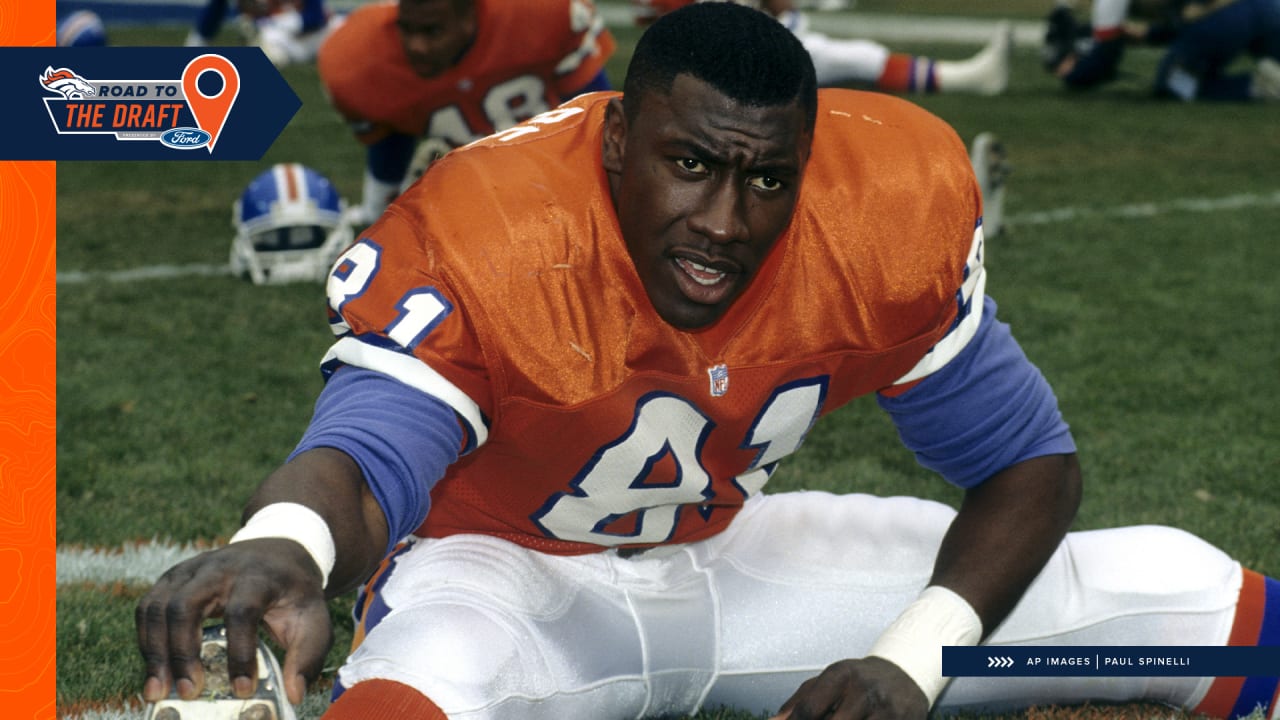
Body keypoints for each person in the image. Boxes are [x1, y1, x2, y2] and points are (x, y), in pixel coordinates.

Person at [137, 4, 1279, 720]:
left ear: (808, 163)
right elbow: (367, 447)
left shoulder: (875, 215)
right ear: (617, 139)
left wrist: (908, 661)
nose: (725, 220)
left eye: (766, 179)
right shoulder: (500, 225)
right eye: (688, 163)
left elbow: (1029, 463)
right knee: (425, 689)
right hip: (505, 581)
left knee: (1185, 601)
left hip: (739, 565)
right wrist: (285, 543)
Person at [315, 0, 616, 228]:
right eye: (407, 29)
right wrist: (375, 211)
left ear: (470, 14)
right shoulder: (359, 56)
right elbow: (391, 136)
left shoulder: (540, 13)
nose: (416, 46)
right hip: (470, 189)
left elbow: (595, 113)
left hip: (558, 168)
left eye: (432, 30)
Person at [634, 0, 1012, 96]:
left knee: (856, 58)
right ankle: (967, 78)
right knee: (857, 58)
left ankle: (966, 77)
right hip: (719, 48)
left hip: (743, 36)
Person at [1043, 0, 1280, 101]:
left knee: (1173, 84)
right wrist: (1149, 35)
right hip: (1267, 9)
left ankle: (1254, 86)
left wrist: (1071, 74)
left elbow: (1104, 61)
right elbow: (1183, 16)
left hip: (1227, 19)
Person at [185, 0, 345, 67]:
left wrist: (273, 22)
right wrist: (197, 42)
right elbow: (217, 7)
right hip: (282, 39)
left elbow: (315, 18)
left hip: (319, 33)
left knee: (346, 28)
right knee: (268, 43)